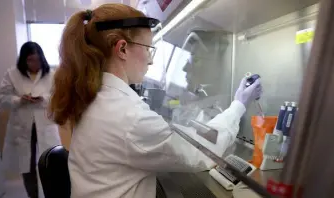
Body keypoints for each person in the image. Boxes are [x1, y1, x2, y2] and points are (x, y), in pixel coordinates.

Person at [48, 4, 262, 198]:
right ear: (122, 49)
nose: (150, 61)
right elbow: (199, 153)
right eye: (148, 49)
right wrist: (239, 105)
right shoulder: (127, 115)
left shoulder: (96, 96)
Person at [0, 42, 61, 198]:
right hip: (22, 130)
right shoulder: (12, 74)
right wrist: (19, 100)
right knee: (28, 167)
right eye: (31, 60)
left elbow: (58, 97)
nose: (35, 63)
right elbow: (2, 98)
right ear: (24, 60)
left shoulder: (51, 74)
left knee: (48, 164)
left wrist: (43, 99)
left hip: (45, 126)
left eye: (38, 59)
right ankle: (32, 195)